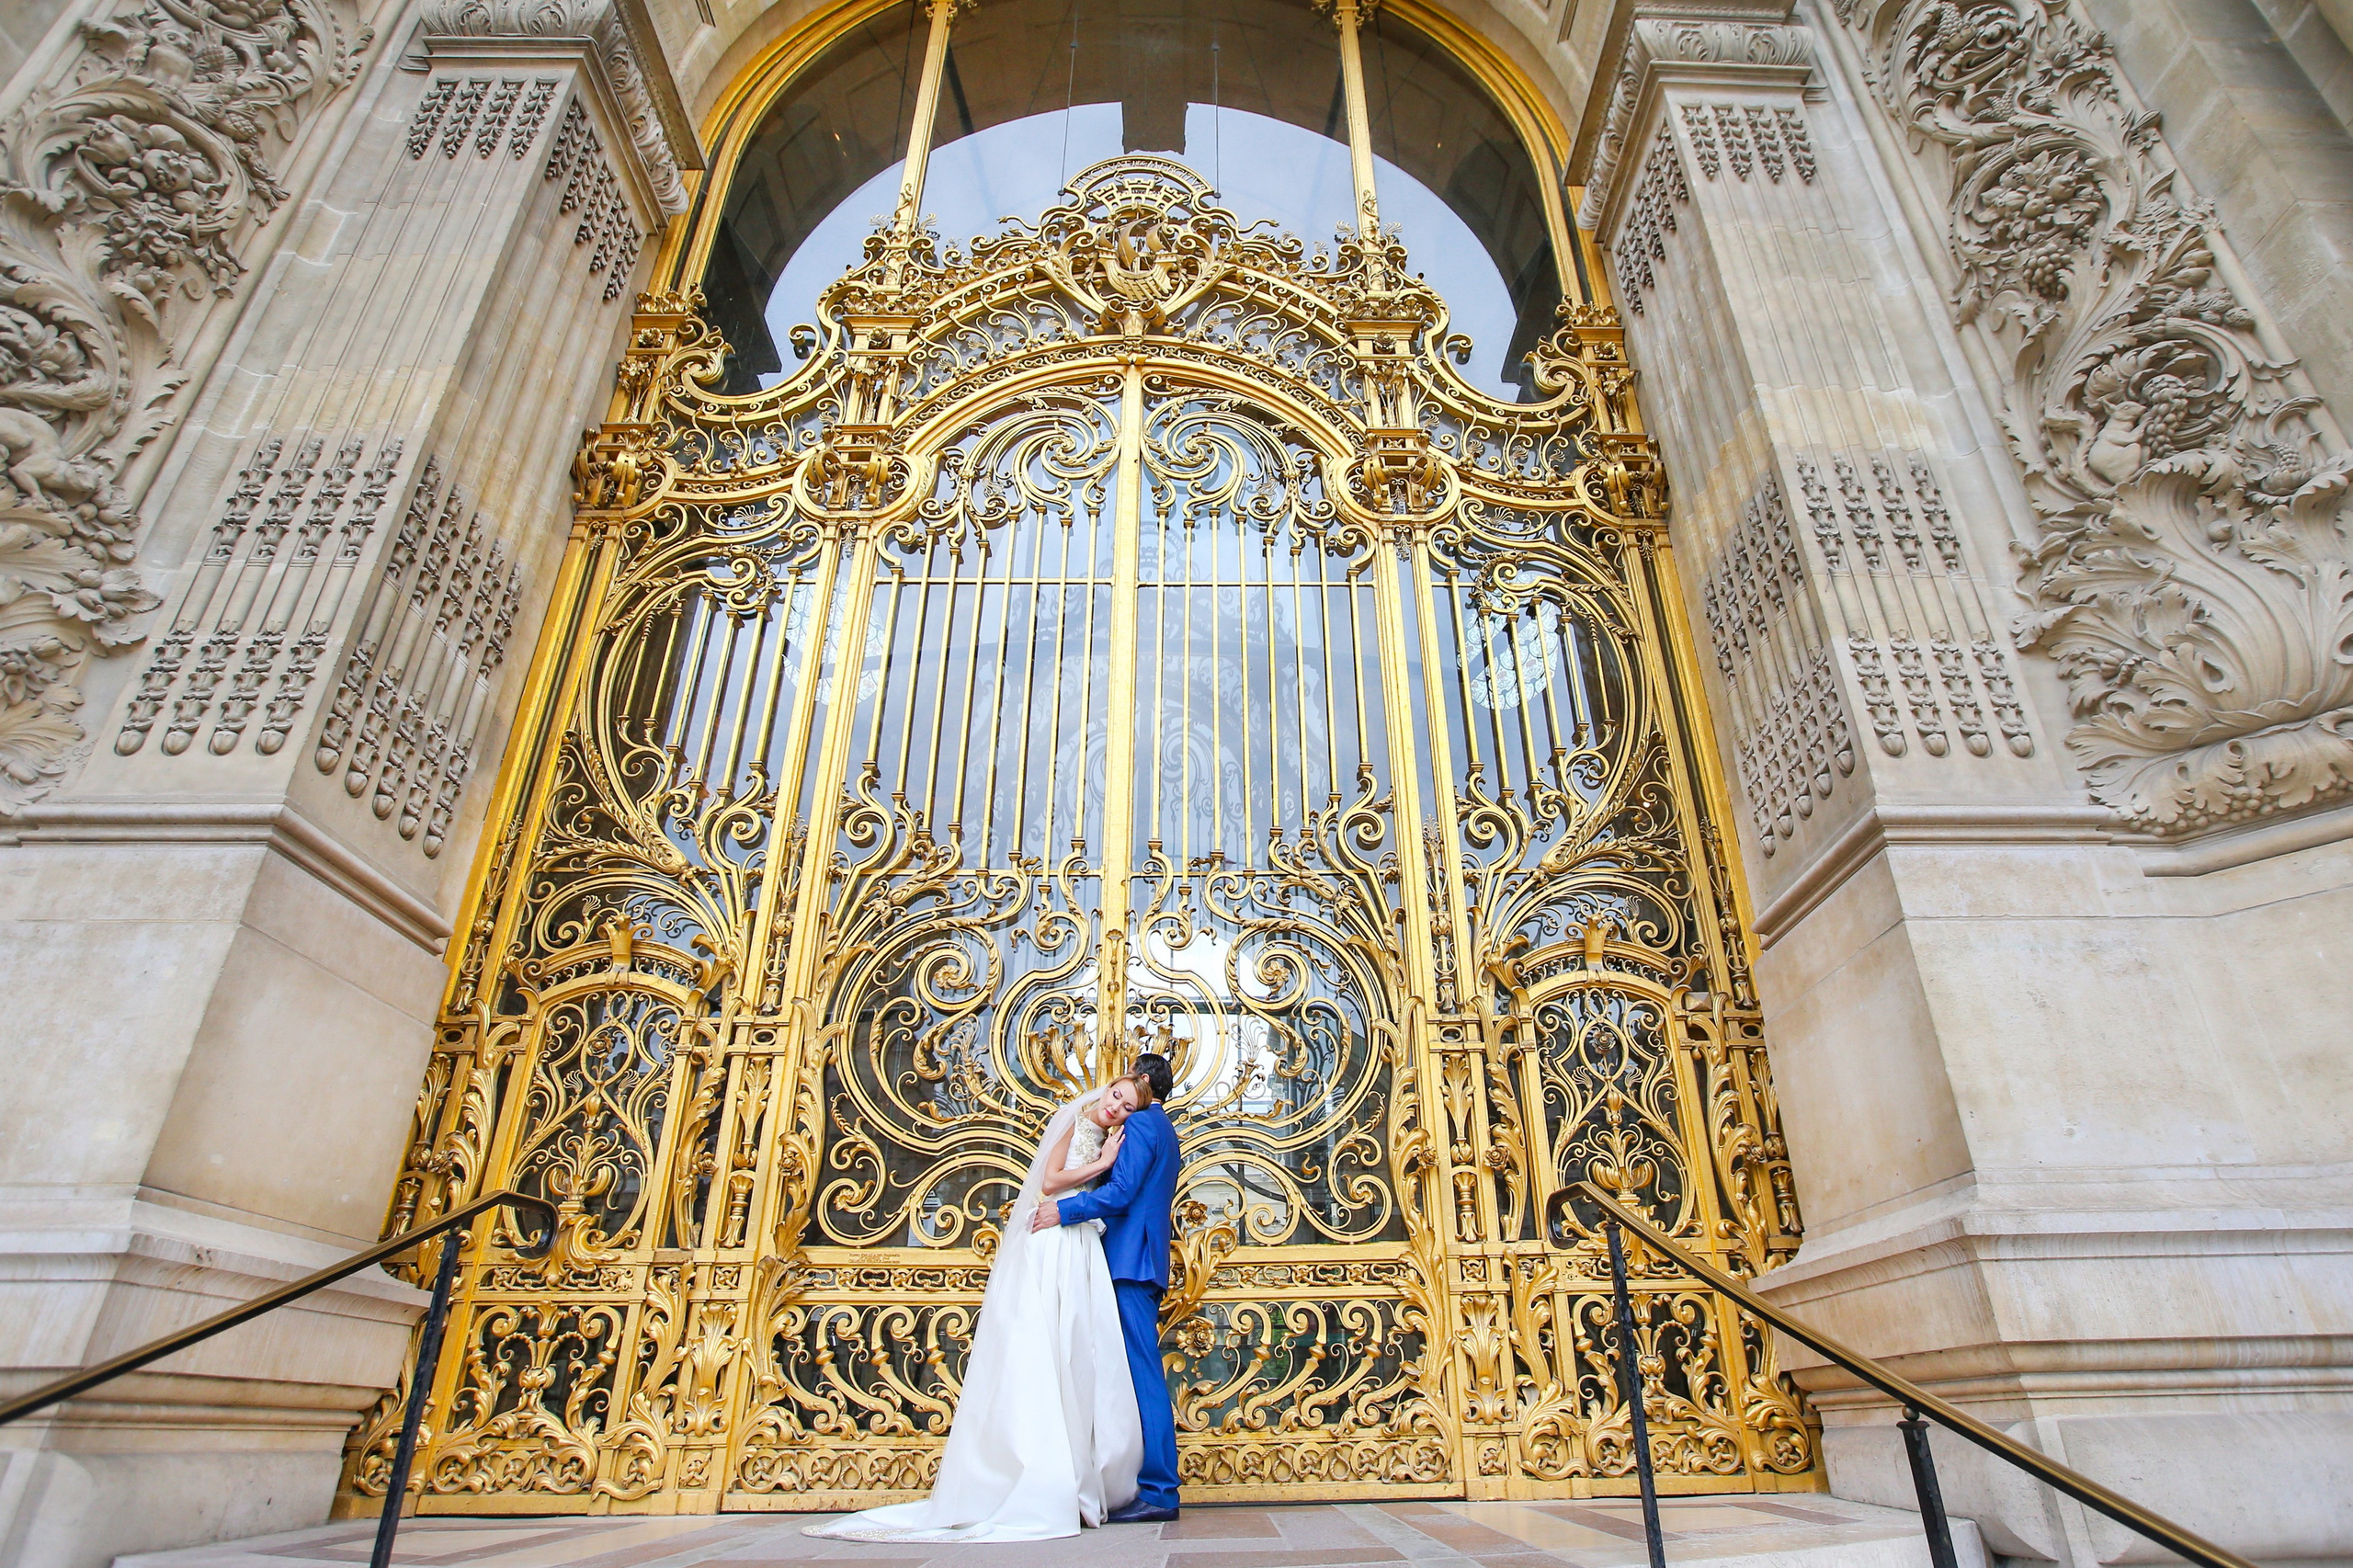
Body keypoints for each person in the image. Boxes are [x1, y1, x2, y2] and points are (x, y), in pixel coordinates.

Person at [804, 1075, 1152, 1541]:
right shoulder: (1073, 1119)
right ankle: (1036, 1472)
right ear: (1106, 1088)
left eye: (1127, 1106)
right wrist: (1103, 1164)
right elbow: (1049, 1181)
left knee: (1080, 1349)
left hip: (1079, 1239)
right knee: (1046, 1344)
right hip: (1054, 1234)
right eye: (1116, 1095)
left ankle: (1076, 1468)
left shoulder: (1112, 1134)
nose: (1116, 1107)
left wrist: (1106, 1164)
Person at [1030, 1051, 1181, 1523]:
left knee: (1142, 1373)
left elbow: (1122, 1193)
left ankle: (1159, 1491)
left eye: (1131, 1090)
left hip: (1130, 1263)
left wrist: (1065, 1211)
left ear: (1143, 1086)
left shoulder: (1139, 1127)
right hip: (1138, 1260)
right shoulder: (1166, 1131)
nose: (1120, 1101)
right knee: (1128, 1372)